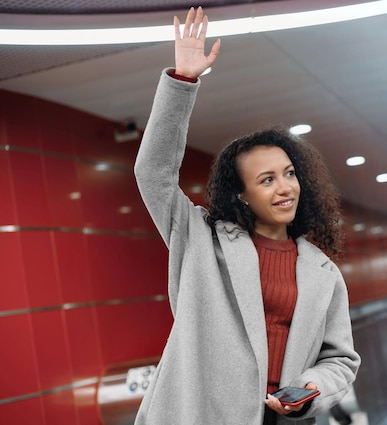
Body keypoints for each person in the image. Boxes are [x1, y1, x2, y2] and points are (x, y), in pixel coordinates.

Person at [133, 6, 361, 425]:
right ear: (242, 194)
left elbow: (340, 360)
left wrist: (310, 389)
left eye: (290, 174)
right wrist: (183, 82)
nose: (285, 187)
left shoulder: (322, 271)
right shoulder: (201, 239)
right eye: (268, 180)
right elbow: (153, 174)